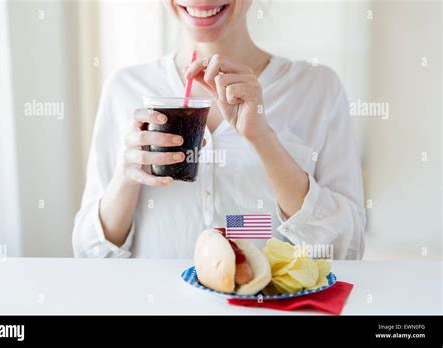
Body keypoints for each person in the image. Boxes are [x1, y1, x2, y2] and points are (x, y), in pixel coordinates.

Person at [72, 0, 366, 260]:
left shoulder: (317, 89)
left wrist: (263, 138)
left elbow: (346, 248)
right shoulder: (125, 89)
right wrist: (126, 177)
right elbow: (89, 253)